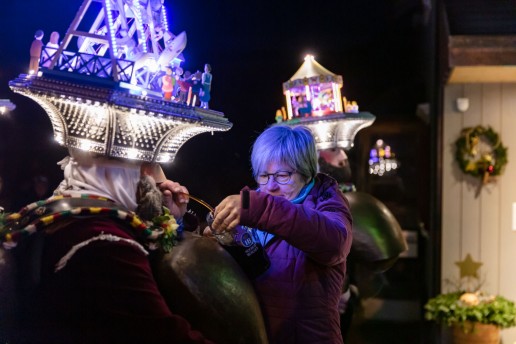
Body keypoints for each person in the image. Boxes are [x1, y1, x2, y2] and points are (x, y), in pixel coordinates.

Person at [1, 148, 214, 344]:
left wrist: (173, 218)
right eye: (143, 168)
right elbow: (166, 335)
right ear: (120, 174)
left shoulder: (70, 210)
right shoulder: (105, 244)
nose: (151, 180)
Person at [205, 125, 353, 344]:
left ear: (306, 172)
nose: (271, 186)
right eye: (263, 175)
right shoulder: (255, 206)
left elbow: (334, 244)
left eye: (283, 175)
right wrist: (216, 238)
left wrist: (256, 207)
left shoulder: (326, 202)